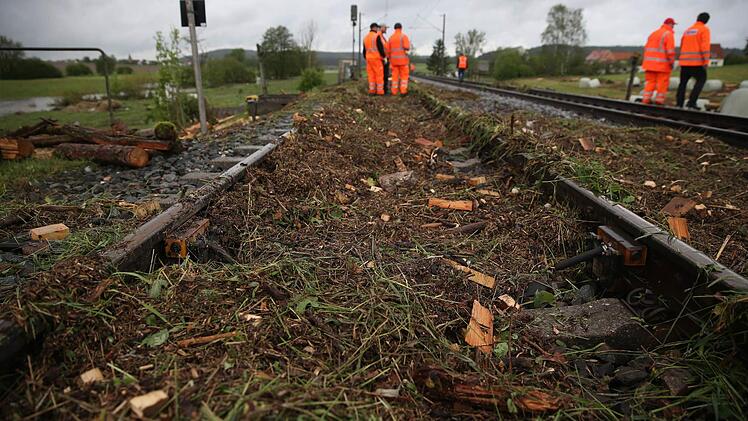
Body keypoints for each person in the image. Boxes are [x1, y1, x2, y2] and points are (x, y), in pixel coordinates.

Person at [676, 12, 711, 109]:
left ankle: (679, 104)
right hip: (697, 63)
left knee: (682, 83)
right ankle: (691, 103)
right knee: (701, 80)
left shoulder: (688, 30)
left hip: (684, 62)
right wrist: (706, 61)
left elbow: (682, 45)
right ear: (706, 21)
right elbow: (705, 47)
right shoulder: (704, 29)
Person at [641, 18, 676, 105]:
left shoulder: (653, 34)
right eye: (673, 25)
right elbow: (670, 51)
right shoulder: (668, 34)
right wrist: (672, 63)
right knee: (662, 83)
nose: (673, 27)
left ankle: (646, 100)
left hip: (649, 65)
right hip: (662, 65)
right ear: (670, 24)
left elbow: (647, 48)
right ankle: (659, 101)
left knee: (650, 83)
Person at [387, 23, 411, 96]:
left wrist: (389, 58)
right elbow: (407, 47)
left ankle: (394, 91)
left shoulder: (391, 38)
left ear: (394, 28)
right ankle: (403, 91)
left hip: (394, 62)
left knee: (394, 77)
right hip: (403, 61)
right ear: (401, 28)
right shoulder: (404, 36)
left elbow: (388, 50)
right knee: (404, 76)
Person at [363, 23, 386, 95]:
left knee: (371, 76)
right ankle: (380, 92)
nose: (378, 29)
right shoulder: (376, 36)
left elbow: (364, 50)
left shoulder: (365, 37)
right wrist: (384, 57)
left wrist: (366, 57)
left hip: (369, 59)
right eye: (377, 28)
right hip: (376, 59)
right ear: (375, 28)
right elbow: (380, 48)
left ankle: (372, 91)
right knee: (379, 75)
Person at [380, 24, 391, 94]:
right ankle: (384, 90)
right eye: (385, 28)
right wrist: (384, 57)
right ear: (381, 28)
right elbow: (381, 48)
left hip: (385, 58)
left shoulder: (382, 37)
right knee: (384, 75)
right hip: (383, 59)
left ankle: (384, 89)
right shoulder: (379, 36)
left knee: (385, 75)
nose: (386, 29)